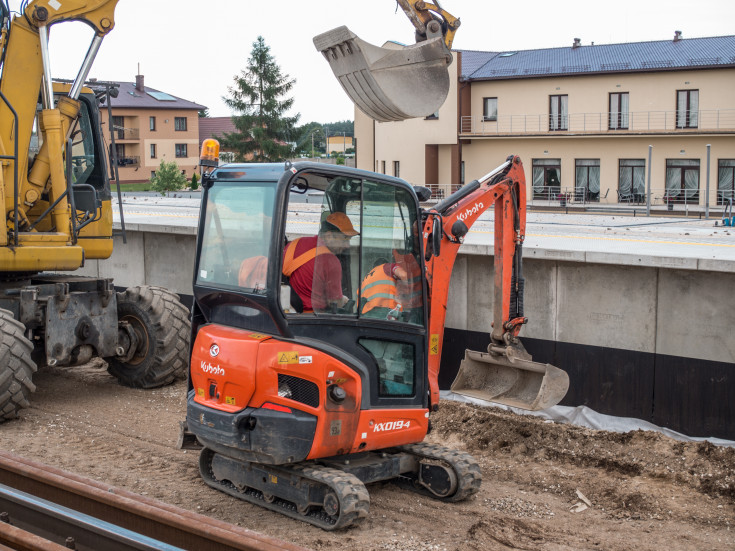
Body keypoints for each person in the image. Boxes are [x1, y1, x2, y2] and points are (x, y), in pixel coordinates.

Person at [282, 212, 358, 312]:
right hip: (311, 318)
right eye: (345, 239)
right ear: (329, 235)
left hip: (286, 310)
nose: (347, 246)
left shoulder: (294, 243)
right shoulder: (331, 261)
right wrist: (343, 300)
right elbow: (335, 302)